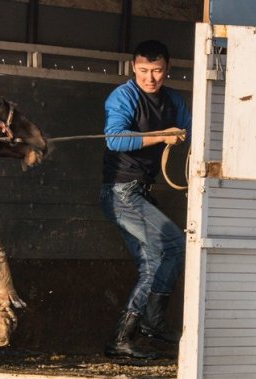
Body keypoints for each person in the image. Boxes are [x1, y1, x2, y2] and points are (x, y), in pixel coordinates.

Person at [100, 40, 191, 360]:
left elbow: (194, 132)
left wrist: (183, 135)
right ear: (133, 68)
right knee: (174, 246)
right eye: (143, 70)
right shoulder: (124, 96)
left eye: (156, 71)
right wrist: (162, 135)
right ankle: (148, 323)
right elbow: (114, 139)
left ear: (167, 70)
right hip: (120, 192)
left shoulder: (173, 101)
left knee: (155, 261)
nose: (149, 77)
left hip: (140, 192)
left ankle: (126, 336)